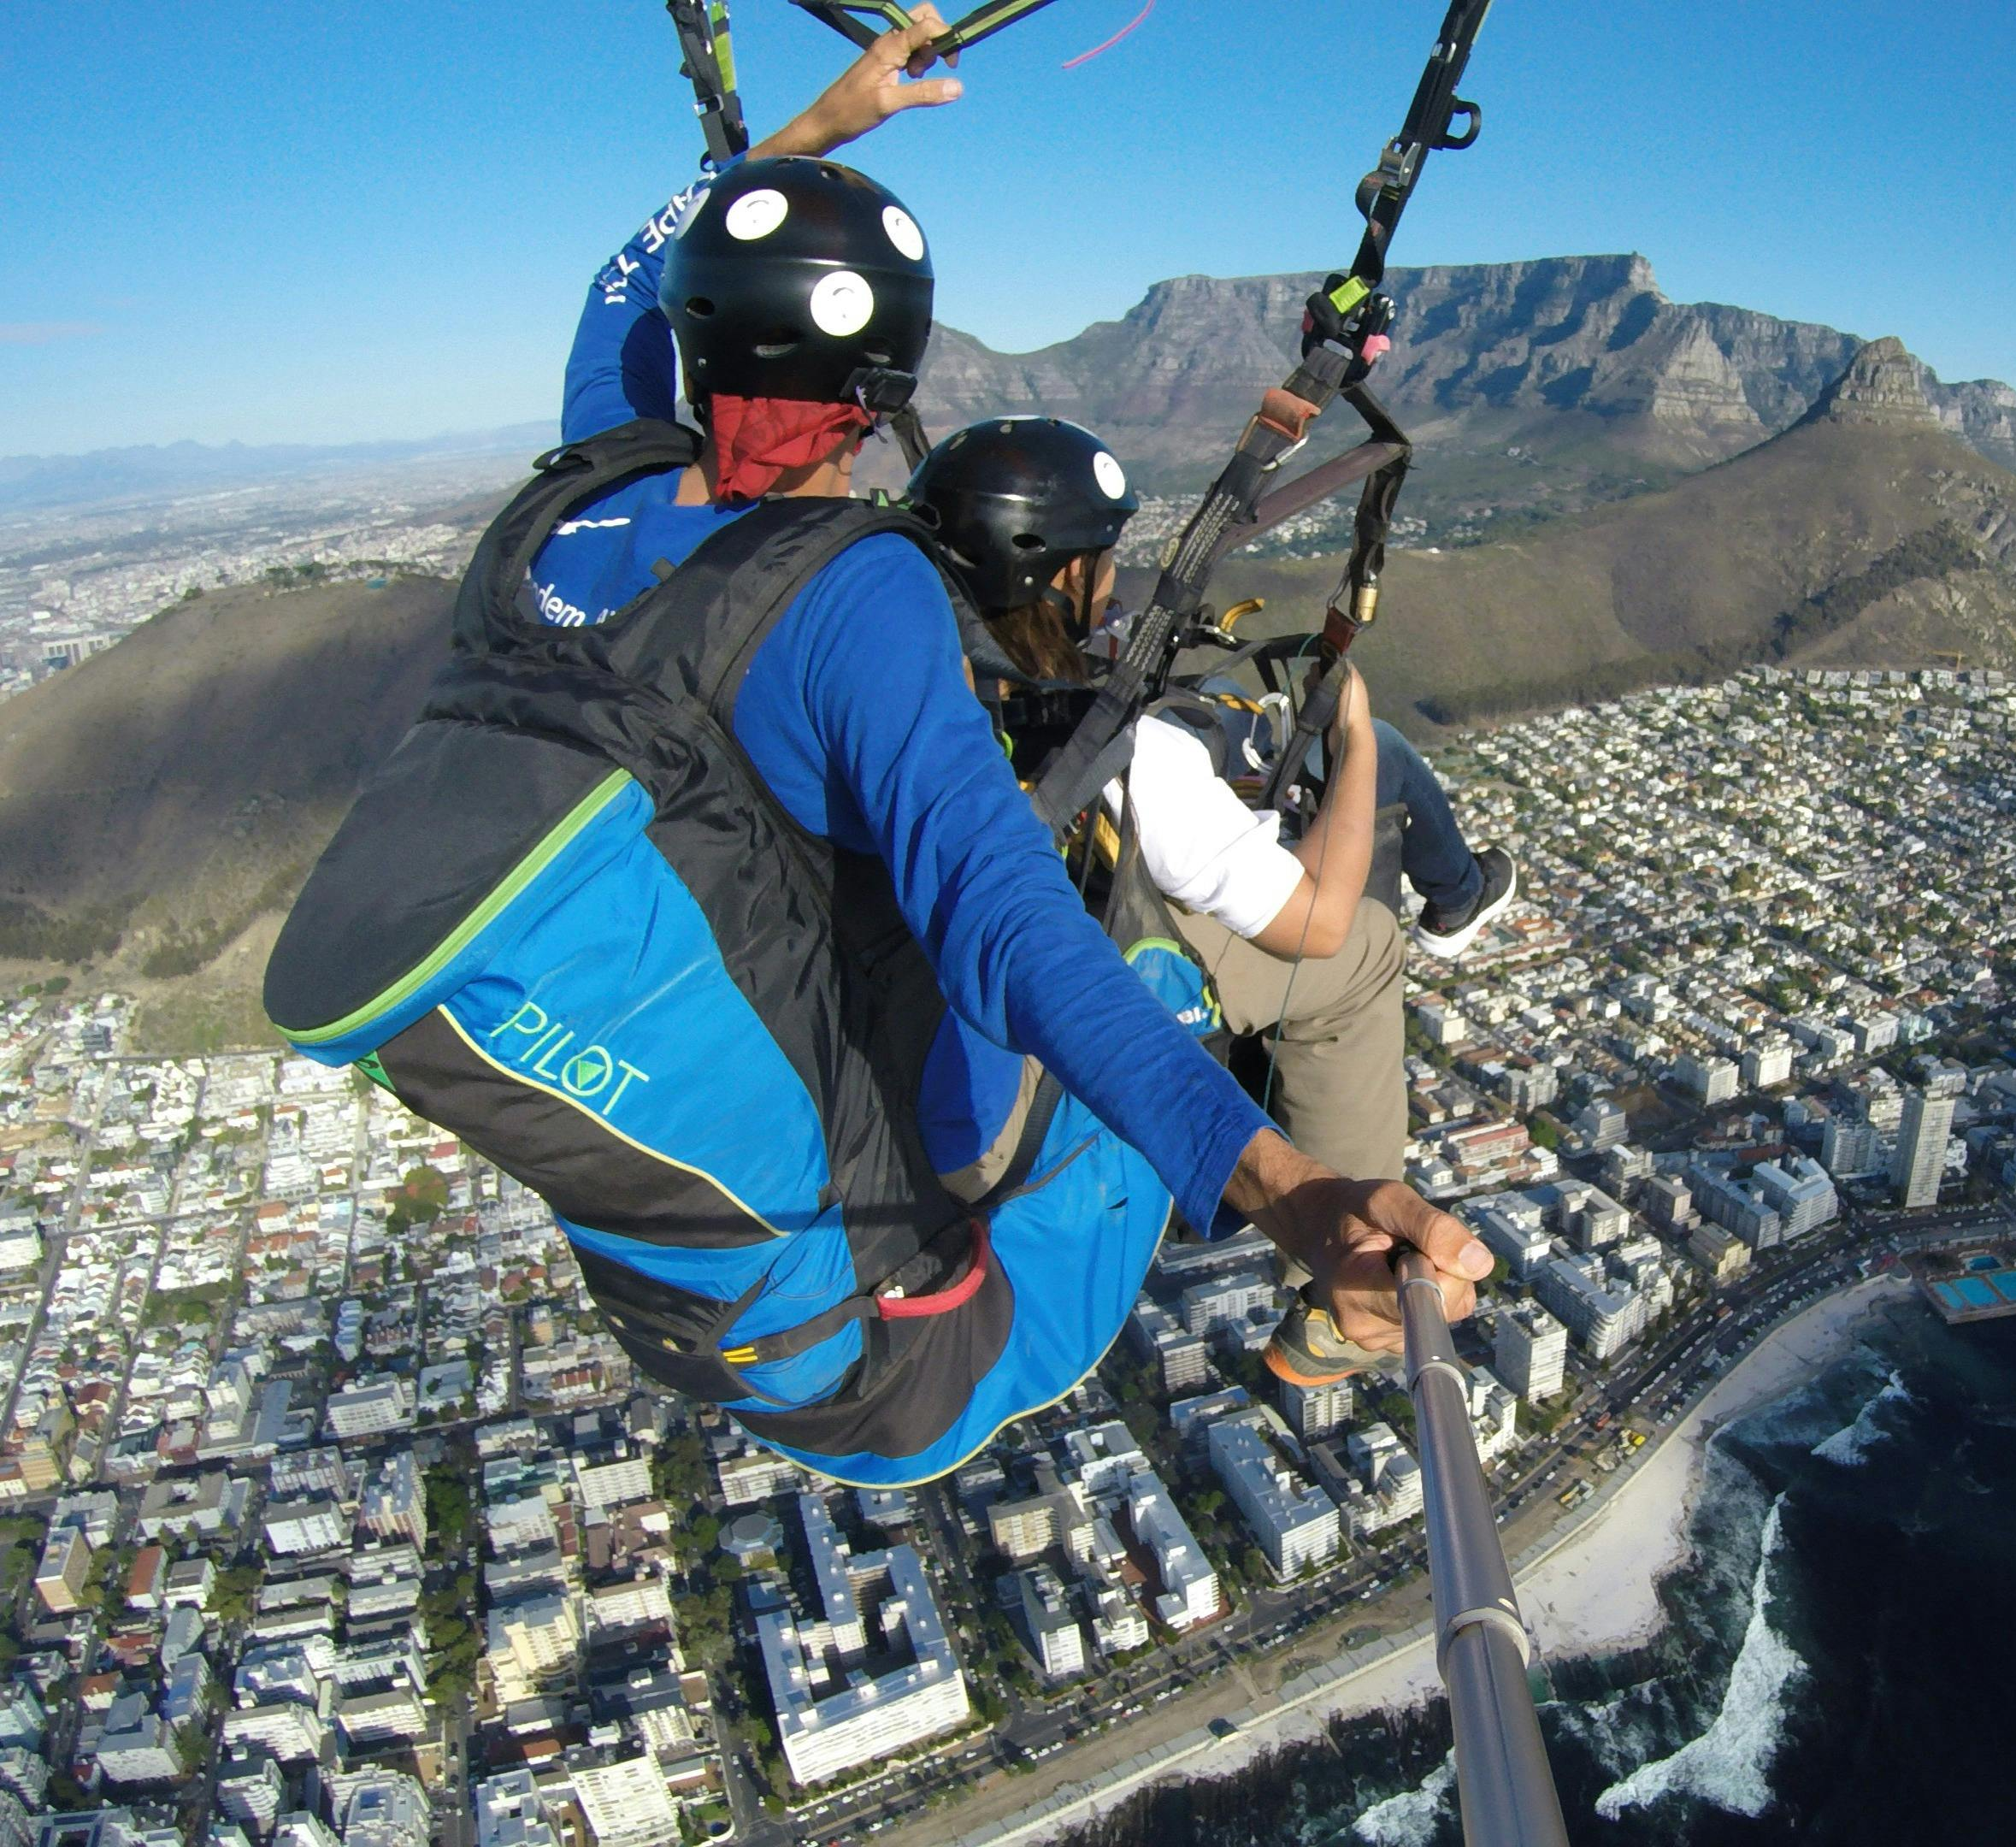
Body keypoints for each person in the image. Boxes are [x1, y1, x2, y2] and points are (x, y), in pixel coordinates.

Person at [261, 20, 1486, 1487]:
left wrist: (813, 128)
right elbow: (1002, 924)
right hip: (927, 1306)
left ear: (694, 335)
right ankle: (1323, 1320)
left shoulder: (569, 508)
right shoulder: (848, 597)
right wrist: (1285, 1191)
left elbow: (616, 294)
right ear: (885, 380)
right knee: (1254, 968)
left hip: (727, 1274)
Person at [910, 416, 1519, 1187]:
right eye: (1102, 563)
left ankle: (1458, 893)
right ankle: (1343, 1265)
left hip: (964, 962)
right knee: (1364, 942)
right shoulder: (1128, 759)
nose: (1110, 580)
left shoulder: (919, 685)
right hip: (1069, 991)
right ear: (1064, 578)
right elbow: (1319, 926)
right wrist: (1357, 733)